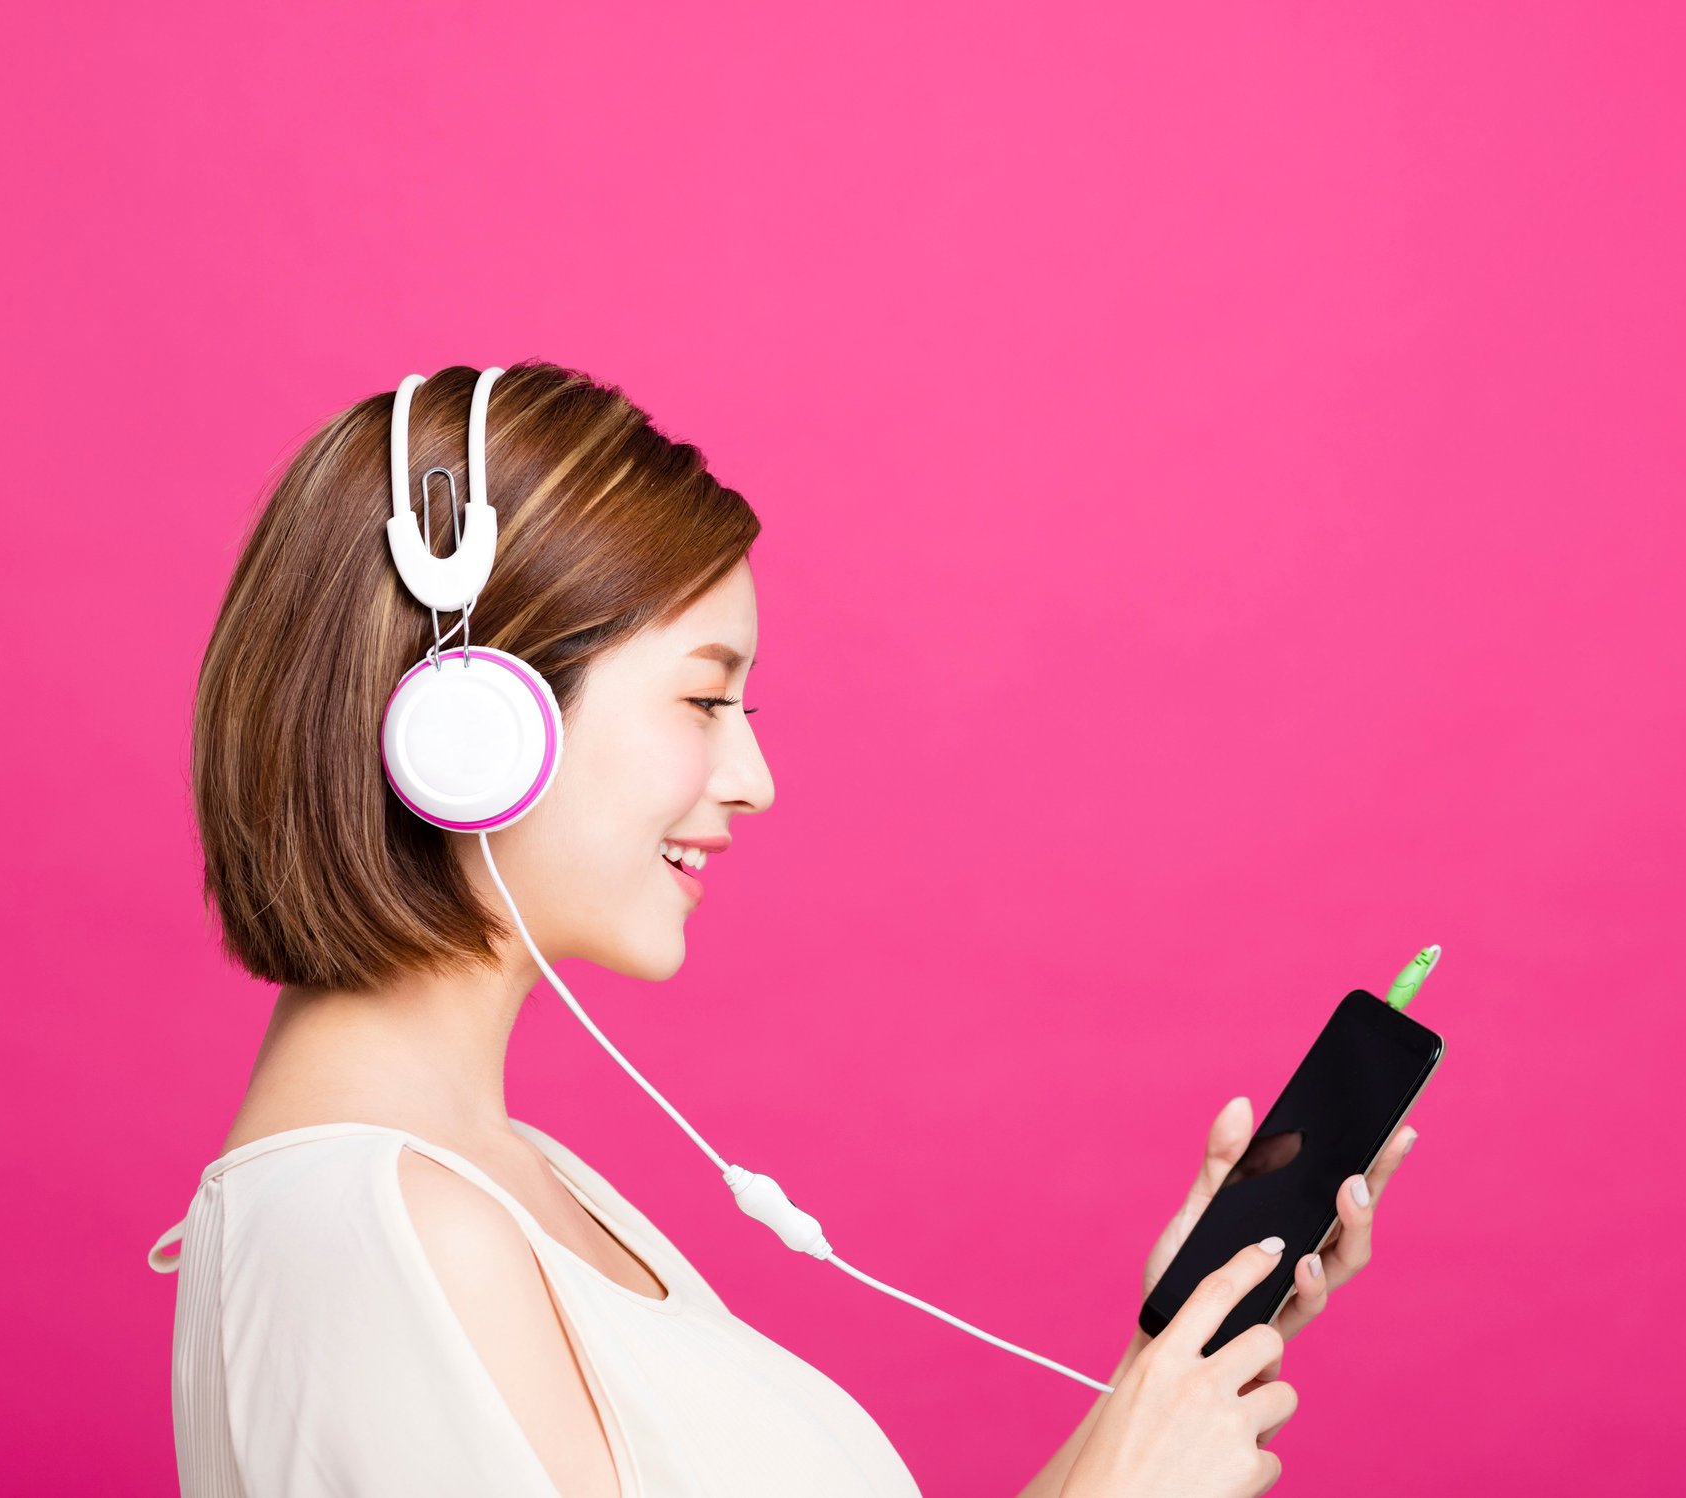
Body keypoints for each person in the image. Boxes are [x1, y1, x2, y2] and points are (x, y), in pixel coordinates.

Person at [146, 360, 1416, 1497]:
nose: (754, 776)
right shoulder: (392, 1235)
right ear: (468, 723)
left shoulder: (505, 1190)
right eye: (704, 697)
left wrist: (1160, 1376)